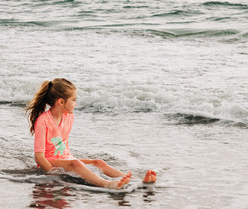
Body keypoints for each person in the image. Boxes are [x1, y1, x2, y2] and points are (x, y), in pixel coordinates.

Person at [26, 78, 157, 189]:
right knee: (76, 164)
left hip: (66, 159)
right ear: (61, 102)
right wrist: (53, 174)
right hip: (50, 162)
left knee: (98, 162)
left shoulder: (68, 117)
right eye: (73, 100)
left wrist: (69, 162)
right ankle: (108, 184)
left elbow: (63, 144)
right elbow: (39, 157)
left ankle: (137, 181)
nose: (76, 104)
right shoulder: (42, 121)